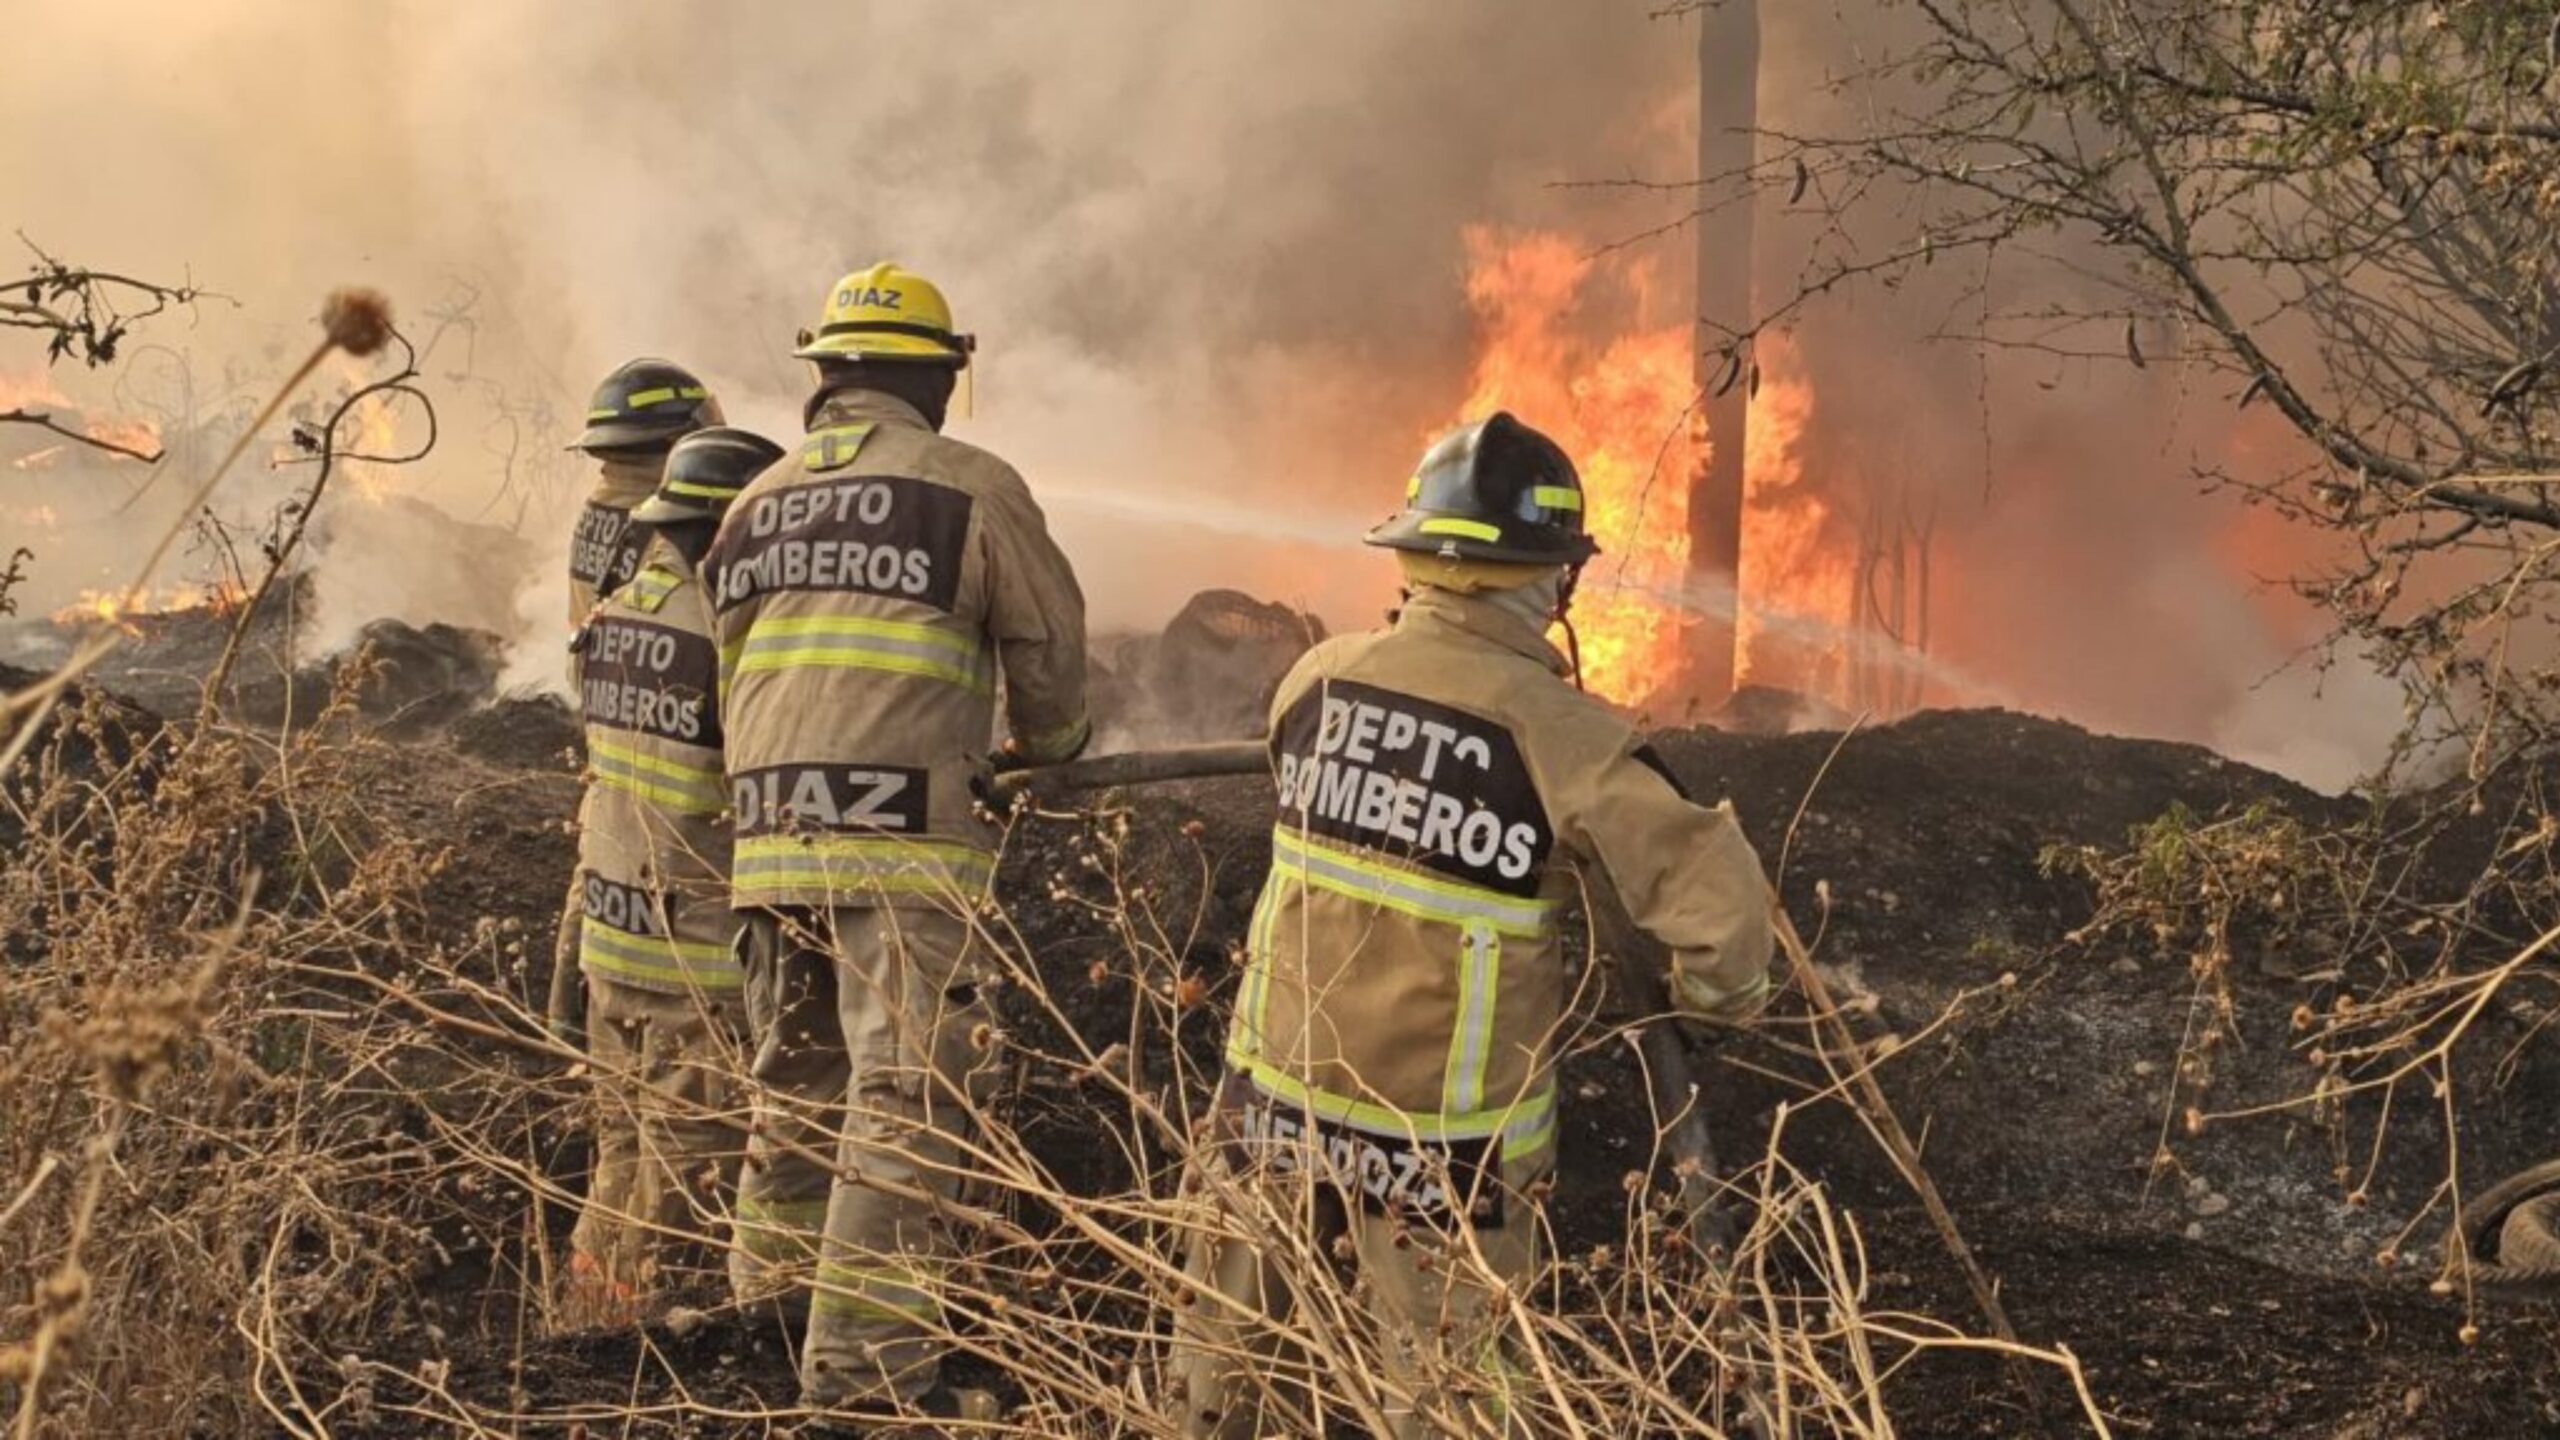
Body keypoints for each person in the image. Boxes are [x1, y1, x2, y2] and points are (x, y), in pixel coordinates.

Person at [1170, 411, 1777, 1438]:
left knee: (1225, 1360)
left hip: (1271, 1090)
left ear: (1413, 553)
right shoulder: (1561, 730)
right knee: (1453, 1389)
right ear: (1554, 577)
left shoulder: (1316, 679)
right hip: (1442, 1145)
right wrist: (1717, 1004)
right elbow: (1713, 897)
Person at [705, 263, 1090, 1427]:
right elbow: (1048, 656)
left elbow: (734, 672)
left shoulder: (752, 500)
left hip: (770, 842)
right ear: (938, 379)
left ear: (824, 376)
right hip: (900, 849)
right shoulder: (971, 486)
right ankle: (861, 1385)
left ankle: (758, 1324)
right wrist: (1047, 751)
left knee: (796, 1089)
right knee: (904, 1100)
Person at [553, 426, 782, 1326]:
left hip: (613, 948)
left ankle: (578, 1328)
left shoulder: (608, 624)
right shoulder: (734, 645)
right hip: (697, 967)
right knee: (684, 1191)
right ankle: (634, 1366)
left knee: (617, 1161)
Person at [548, 359, 725, 1050]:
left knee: (603, 851)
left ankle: (568, 1023)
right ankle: (575, 1021)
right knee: (624, 859)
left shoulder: (603, 508)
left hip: (609, 702)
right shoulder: (660, 523)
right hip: (657, 718)